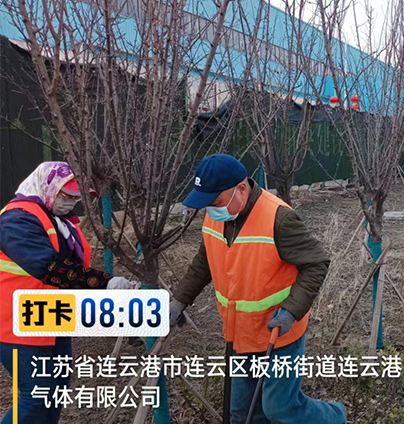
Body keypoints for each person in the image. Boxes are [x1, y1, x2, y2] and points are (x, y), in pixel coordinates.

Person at [169, 154, 346, 424]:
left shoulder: (279, 219)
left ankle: (335, 417)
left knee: (280, 408)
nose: (210, 209)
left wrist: (291, 311)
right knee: (243, 414)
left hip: (279, 333)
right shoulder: (215, 217)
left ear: (241, 189)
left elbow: (316, 263)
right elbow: (204, 261)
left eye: (215, 202)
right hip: (240, 334)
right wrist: (180, 300)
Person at [0, 162, 140, 424]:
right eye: (66, 196)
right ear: (47, 187)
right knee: (36, 395)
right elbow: (50, 268)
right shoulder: (16, 220)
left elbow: (74, 268)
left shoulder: (60, 221)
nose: (71, 203)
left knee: (57, 390)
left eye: (76, 198)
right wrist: (105, 283)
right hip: (17, 323)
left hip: (52, 317)